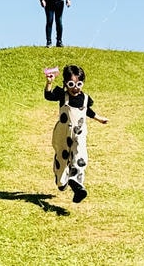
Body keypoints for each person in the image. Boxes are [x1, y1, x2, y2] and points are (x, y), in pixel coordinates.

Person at [44, 64, 108, 203]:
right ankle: (62, 181)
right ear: (66, 84)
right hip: (63, 134)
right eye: (71, 84)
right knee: (62, 158)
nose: (75, 87)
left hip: (79, 133)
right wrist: (49, 82)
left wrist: (99, 118)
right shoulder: (62, 95)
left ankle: (77, 185)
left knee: (80, 155)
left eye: (79, 84)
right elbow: (48, 96)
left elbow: (87, 111)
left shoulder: (85, 98)